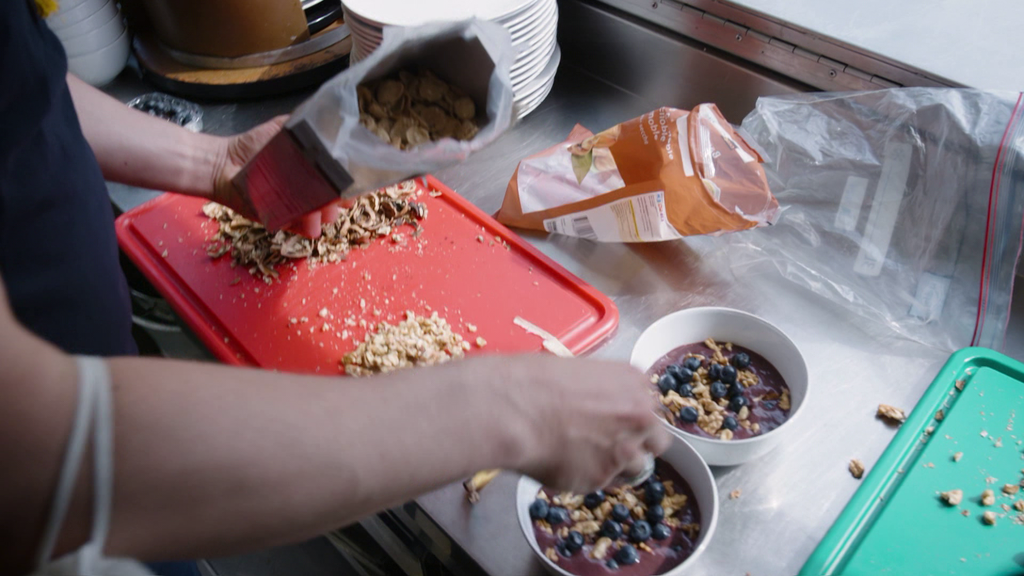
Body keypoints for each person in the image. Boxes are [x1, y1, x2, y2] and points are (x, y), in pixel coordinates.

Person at [0, 2, 671, 575]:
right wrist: (505, 410)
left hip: (109, 416)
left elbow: (24, 84)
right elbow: (30, 462)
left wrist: (211, 161)